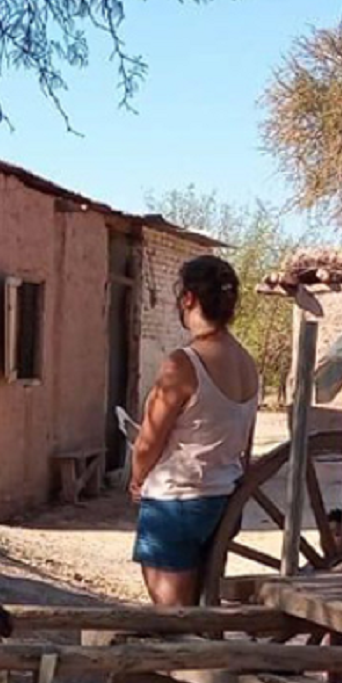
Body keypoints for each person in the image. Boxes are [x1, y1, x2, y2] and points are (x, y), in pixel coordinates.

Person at [129, 256, 260, 607]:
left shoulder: (184, 363)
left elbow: (148, 441)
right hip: (223, 501)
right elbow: (244, 443)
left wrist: (138, 478)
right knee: (202, 609)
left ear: (188, 299)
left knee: (173, 620)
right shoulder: (247, 363)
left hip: (176, 502)